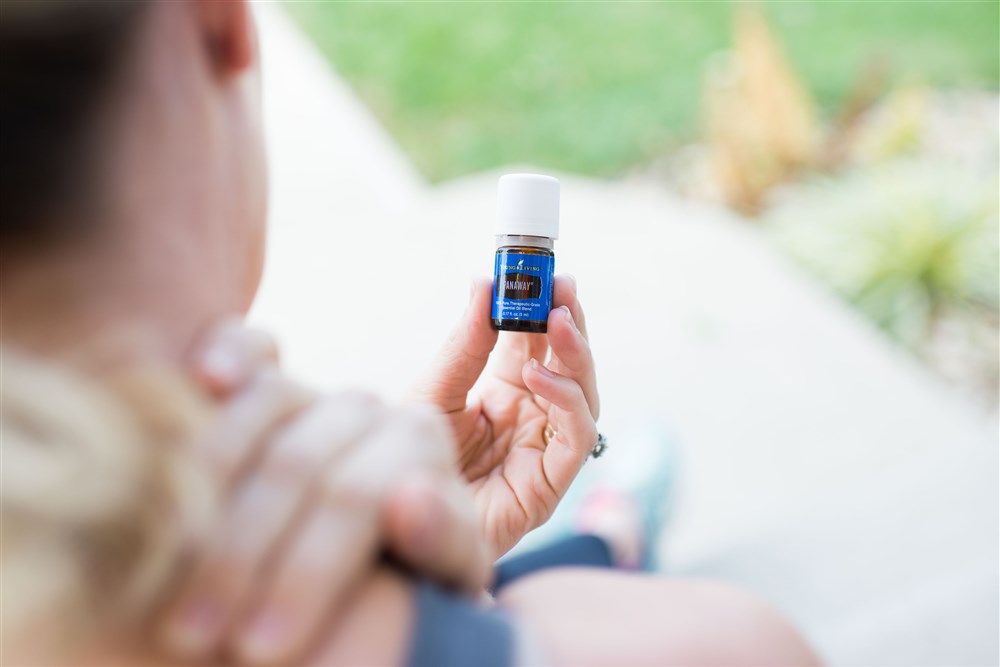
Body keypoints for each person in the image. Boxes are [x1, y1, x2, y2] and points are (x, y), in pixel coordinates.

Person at [0, 2, 822, 666]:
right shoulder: (715, 646)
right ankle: (615, 534)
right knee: (605, 559)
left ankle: (610, 531)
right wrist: (449, 603)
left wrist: (445, 539)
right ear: (219, 24)